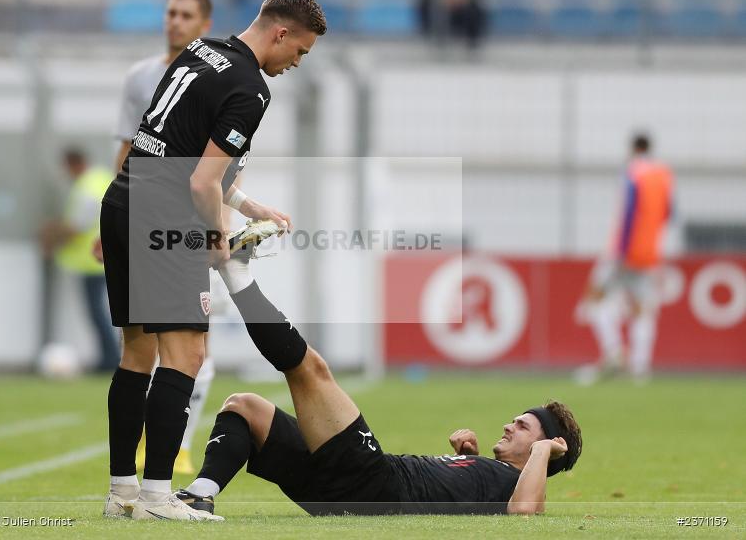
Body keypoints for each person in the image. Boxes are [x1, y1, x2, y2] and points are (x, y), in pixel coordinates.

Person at [99, 0, 327, 522]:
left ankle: (123, 494)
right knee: (187, 356)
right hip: (165, 212)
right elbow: (202, 181)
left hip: (124, 199)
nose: (296, 64)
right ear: (281, 33)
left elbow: (173, 147)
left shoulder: (202, 51)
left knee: (137, 353)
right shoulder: (252, 89)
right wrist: (215, 236)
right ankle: (158, 497)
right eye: (301, 52)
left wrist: (246, 202)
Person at [175, 242, 582, 516]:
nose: (511, 424)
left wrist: (544, 452)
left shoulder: (518, 487)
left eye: (525, 426)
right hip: (345, 490)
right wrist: (470, 457)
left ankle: (236, 275)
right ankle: (201, 496)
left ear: (542, 447)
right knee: (245, 407)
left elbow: (526, 512)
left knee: (309, 371)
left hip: (372, 483)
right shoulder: (496, 475)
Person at [111, 0, 217, 477]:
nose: (174, 21)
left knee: (195, 345)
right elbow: (129, 148)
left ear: (204, 24)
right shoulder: (141, 77)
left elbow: (219, 166)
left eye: (185, 15)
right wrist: (111, 215)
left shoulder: (212, 79)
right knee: (141, 347)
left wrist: (222, 224)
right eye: (170, 13)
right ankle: (137, 474)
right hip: (140, 212)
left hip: (188, 219)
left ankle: (179, 444)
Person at [576, 133, 674, 384]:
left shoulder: (633, 173)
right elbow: (669, 213)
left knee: (595, 298)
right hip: (650, 253)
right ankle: (640, 368)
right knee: (643, 309)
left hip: (624, 251)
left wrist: (622, 250)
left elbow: (629, 211)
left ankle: (614, 353)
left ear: (633, 149)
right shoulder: (663, 175)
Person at [38, 149, 117, 371]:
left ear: (73, 164)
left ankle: (109, 360)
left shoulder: (87, 187)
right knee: (101, 312)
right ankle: (108, 358)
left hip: (93, 261)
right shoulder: (101, 178)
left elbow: (77, 226)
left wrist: (51, 234)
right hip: (106, 257)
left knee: (97, 313)